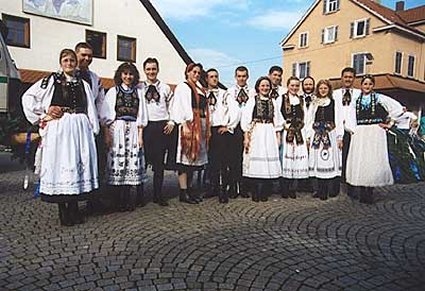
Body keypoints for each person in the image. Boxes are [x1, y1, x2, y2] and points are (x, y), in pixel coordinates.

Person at [21, 48, 99, 226]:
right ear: (61, 63)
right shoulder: (51, 80)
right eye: (66, 60)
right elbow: (28, 97)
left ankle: (73, 208)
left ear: (76, 63)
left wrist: (92, 128)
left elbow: (90, 107)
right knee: (61, 164)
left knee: (77, 164)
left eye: (72, 60)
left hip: (79, 128)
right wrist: (43, 115)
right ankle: (63, 210)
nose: (69, 64)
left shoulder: (83, 83)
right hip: (60, 127)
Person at [345, 74, 403, 204]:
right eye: (365, 84)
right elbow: (350, 116)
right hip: (361, 132)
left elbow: (397, 108)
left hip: (375, 132)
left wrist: (389, 123)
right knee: (361, 159)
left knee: (372, 160)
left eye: (370, 84)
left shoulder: (379, 98)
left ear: (373, 85)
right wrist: (353, 130)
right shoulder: (356, 100)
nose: (367, 86)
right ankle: (362, 190)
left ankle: (370, 191)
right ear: (361, 85)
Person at [99, 63, 148, 211]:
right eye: (125, 74)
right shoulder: (113, 91)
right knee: (117, 162)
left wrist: (140, 135)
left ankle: (127, 199)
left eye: (131, 74)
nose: (128, 77)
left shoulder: (138, 93)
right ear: (120, 75)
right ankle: (116, 200)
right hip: (118, 128)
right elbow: (106, 115)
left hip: (133, 129)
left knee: (130, 163)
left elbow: (141, 114)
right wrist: (107, 134)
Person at [170, 63, 210, 204]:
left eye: (199, 73)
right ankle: (183, 191)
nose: (196, 75)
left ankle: (190, 188)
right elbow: (180, 106)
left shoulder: (200, 88)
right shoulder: (183, 87)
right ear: (187, 72)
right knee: (185, 159)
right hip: (189, 125)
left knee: (194, 160)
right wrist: (185, 123)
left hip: (200, 125)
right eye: (194, 72)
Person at [241, 77, 283, 202]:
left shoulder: (273, 101)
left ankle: (264, 191)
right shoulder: (252, 101)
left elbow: (277, 120)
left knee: (267, 162)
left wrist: (278, 136)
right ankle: (255, 191)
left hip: (269, 131)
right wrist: (246, 137)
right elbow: (246, 119)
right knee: (255, 161)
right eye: (262, 86)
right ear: (258, 87)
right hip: (257, 131)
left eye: (267, 86)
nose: (265, 88)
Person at [139, 58, 174, 207]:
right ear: (144, 70)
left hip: (161, 127)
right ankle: (140, 196)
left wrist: (171, 121)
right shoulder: (139, 87)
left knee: (159, 164)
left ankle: (158, 195)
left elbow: (172, 106)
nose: (151, 72)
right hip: (145, 127)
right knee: (142, 162)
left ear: (158, 70)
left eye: (153, 69)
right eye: (148, 69)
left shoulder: (165, 88)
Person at [306, 80, 343, 200]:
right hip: (316, 134)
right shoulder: (314, 103)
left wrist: (339, 137)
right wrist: (308, 136)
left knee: (328, 160)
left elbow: (338, 120)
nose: (323, 90)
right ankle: (319, 189)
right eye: (321, 88)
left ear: (329, 90)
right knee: (318, 161)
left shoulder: (334, 102)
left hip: (329, 134)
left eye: (325, 88)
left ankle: (328, 190)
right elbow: (309, 120)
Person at [205, 68, 237, 203]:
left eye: (216, 76)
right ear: (206, 79)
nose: (214, 79)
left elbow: (235, 111)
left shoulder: (225, 94)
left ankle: (223, 189)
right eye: (211, 76)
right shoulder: (203, 93)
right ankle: (212, 187)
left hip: (220, 131)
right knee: (210, 161)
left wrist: (229, 126)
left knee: (223, 162)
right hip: (206, 130)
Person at [332, 67, 361, 198]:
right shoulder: (335, 93)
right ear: (341, 78)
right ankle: (335, 187)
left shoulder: (359, 93)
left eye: (350, 77)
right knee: (337, 159)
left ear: (354, 78)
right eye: (346, 77)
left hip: (352, 131)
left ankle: (351, 187)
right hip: (337, 129)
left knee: (351, 159)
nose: (348, 79)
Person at [279, 76, 309, 198]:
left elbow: (305, 117)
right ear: (288, 85)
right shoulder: (282, 99)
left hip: (299, 132)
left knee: (296, 159)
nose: (295, 88)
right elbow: (278, 114)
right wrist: (285, 126)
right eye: (292, 85)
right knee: (286, 158)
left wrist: (306, 135)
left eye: (297, 85)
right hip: (287, 132)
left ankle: (292, 188)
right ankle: (284, 188)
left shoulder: (301, 100)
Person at [225, 66, 253, 198]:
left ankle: (244, 187)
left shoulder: (253, 92)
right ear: (235, 77)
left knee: (246, 158)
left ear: (247, 77)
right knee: (233, 159)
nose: (241, 78)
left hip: (249, 129)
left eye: (244, 76)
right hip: (234, 128)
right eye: (239, 76)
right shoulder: (229, 92)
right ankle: (232, 187)